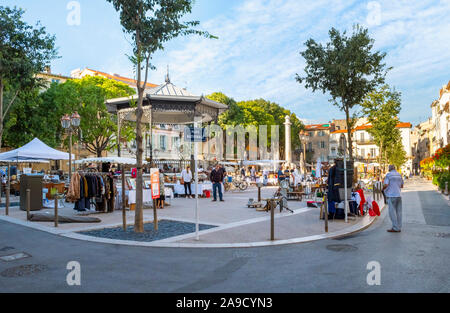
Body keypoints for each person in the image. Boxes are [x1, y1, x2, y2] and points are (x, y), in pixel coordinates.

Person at [383, 164, 404, 233]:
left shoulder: (388, 175)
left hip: (391, 195)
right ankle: (399, 227)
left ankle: (395, 227)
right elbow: (402, 185)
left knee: (392, 212)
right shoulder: (399, 174)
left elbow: (386, 184)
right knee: (399, 212)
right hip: (399, 195)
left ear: (389, 168)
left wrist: (382, 189)